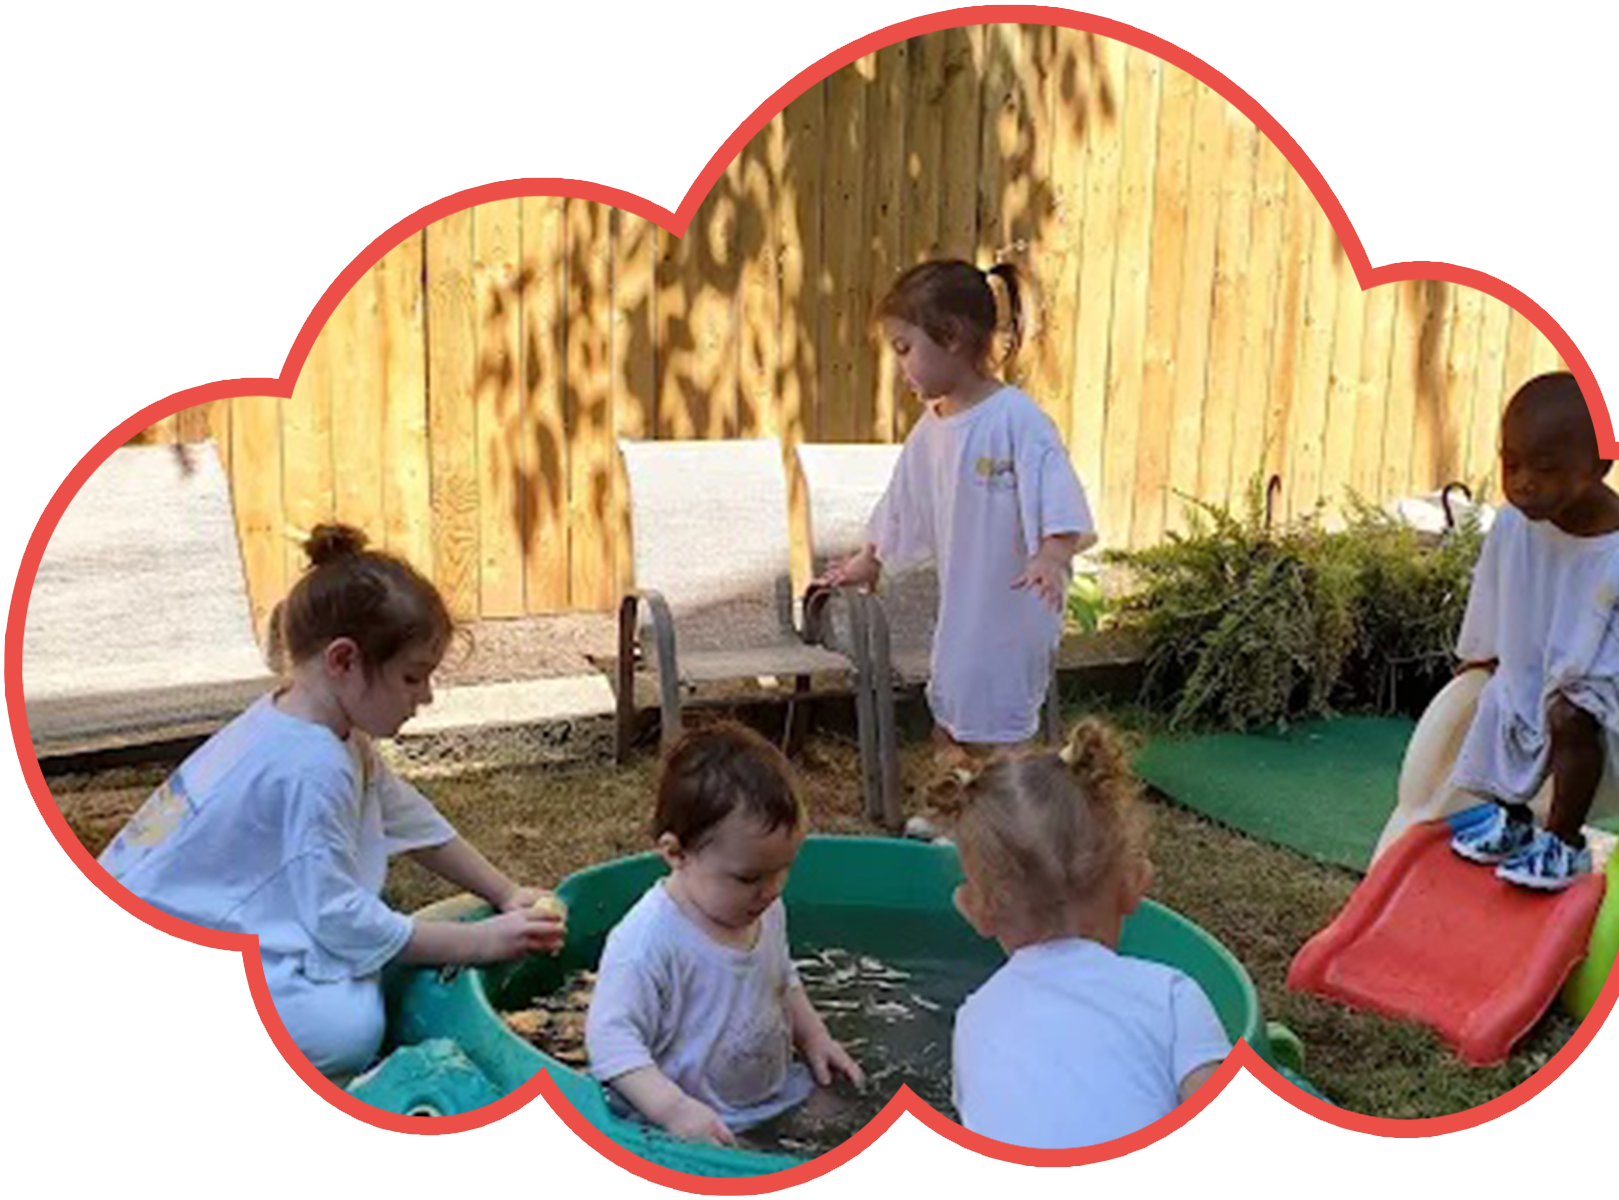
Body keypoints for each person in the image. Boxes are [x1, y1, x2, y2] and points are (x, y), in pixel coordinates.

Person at [56, 524, 566, 1115]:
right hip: (130, 974)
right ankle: (145, 1046)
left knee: (354, 977)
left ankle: (170, 1036)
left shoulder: (308, 721)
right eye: (412, 676)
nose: (424, 696)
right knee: (345, 1031)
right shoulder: (308, 765)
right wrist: (479, 943)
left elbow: (407, 816)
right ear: (344, 660)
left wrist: (504, 892)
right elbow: (339, 922)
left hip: (130, 944)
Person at [941, 720, 1295, 1178]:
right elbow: (1221, 1110)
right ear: (1133, 883)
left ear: (975, 911)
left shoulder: (974, 1017)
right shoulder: (1168, 995)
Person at [818, 260, 1096, 769]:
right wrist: (870, 559)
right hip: (964, 608)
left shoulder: (1016, 419)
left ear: (951, 338)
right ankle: (958, 808)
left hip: (1017, 605)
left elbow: (1056, 491)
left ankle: (1014, 812)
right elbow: (903, 499)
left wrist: (1053, 557)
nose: (901, 367)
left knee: (1006, 717)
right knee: (948, 702)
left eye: (905, 350)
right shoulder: (933, 428)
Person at [1448, 372, 1619, 889]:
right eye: (1511, 464)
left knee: (1570, 713)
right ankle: (1512, 819)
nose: (1524, 481)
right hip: (1532, 671)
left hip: (1597, 696)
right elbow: (1493, 591)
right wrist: (1483, 655)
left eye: (1546, 469)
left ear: (1598, 466)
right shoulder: (1514, 525)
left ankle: (1564, 842)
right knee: (1502, 698)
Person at [584, 723, 863, 1145]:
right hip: (694, 1119)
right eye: (750, 877)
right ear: (676, 853)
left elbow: (782, 978)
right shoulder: (648, 942)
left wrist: (814, 1036)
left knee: (851, 1118)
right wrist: (675, 1111)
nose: (771, 890)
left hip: (774, 1092)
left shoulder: (763, 907)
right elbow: (609, 1042)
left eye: (782, 869)